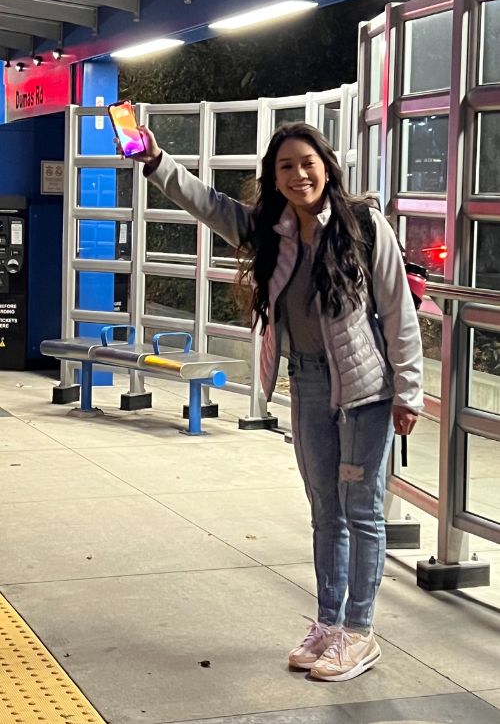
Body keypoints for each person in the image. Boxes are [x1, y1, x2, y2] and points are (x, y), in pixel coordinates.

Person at [123, 121, 423, 682]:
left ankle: (360, 631)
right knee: (324, 512)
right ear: (274, 177)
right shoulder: (272, 231)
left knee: (362, 512)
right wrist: (155, 160)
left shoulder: (363, 226)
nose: (298, 174)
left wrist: (408, 393)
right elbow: (209, 204)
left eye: (306, 162)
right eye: (285, 166)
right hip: (308, 386)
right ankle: (329, 623)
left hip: (365, 393)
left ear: (326, 165)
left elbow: (399, 315)